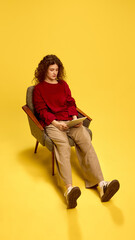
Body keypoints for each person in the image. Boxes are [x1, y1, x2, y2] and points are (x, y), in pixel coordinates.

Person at [33, 54, 120, 209]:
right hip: (53, 123)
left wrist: (75, 118)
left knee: (85, 138)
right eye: (51, 70)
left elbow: (70, 102)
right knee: (64, 146)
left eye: (56, 69)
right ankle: (69, 190)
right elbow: (41, 111)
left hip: (69, 121)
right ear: (44, 70)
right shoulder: (38, 89)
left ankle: (102, 185)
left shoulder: (63, 85)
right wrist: (56, 123)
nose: (54, 72)